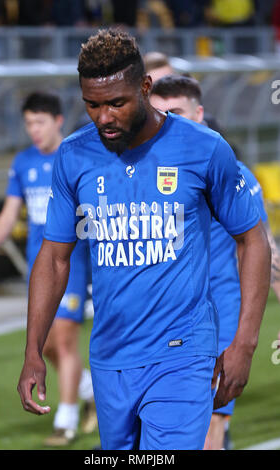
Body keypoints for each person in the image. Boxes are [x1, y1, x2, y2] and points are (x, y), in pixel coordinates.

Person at [17, 29, 271, 451]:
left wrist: (244, 343)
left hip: (183, 352)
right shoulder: (73, 155)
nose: (104, 117)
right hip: (110, 355)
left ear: (145, 87)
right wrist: (32, 351)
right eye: (93, 105)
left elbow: (254, 240)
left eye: (117, 103)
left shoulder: (204, 149)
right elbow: (55, 257)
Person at [150, 74, 280, 449]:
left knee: (211, 431)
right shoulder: (147, 175)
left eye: (176, 112)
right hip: (163, 325)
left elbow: (263, 248)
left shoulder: (235, 176)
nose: (167, 123)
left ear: (200, 112)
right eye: (159, 114)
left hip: (219, 319)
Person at [0, 92, 96, 446]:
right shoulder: (23, 162)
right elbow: (10, 212)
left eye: (40, 122)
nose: (34, 129)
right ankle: (91, 390)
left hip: (73, 264)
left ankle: (66, 420)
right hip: (39, 267)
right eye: (29, 122)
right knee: (43, 345)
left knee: (63, 340)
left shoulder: (75, 157)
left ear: (57, 121)